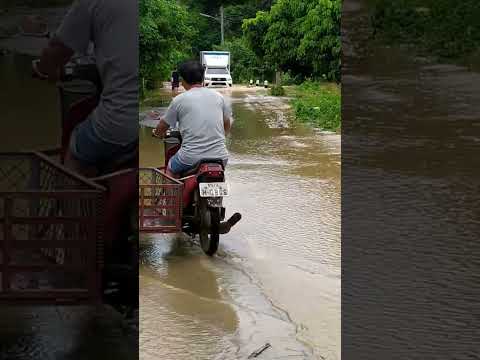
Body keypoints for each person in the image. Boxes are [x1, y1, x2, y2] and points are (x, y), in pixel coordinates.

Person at [32, 0, 138, 177]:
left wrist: (43, 69)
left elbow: (57, 49)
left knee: (76, 152)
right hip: (152, 122)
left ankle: (73, 202)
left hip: (120, 123)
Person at [153, 60, 233, 177]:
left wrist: (157, 133)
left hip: (190, 157)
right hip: (221, 157)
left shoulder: (179, 100)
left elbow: (163, 125)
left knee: (170, 166)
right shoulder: (219, 97)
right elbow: (227, 124)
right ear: (203, 77)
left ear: (183, 80)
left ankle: (172, 194)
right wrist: (221, 136)